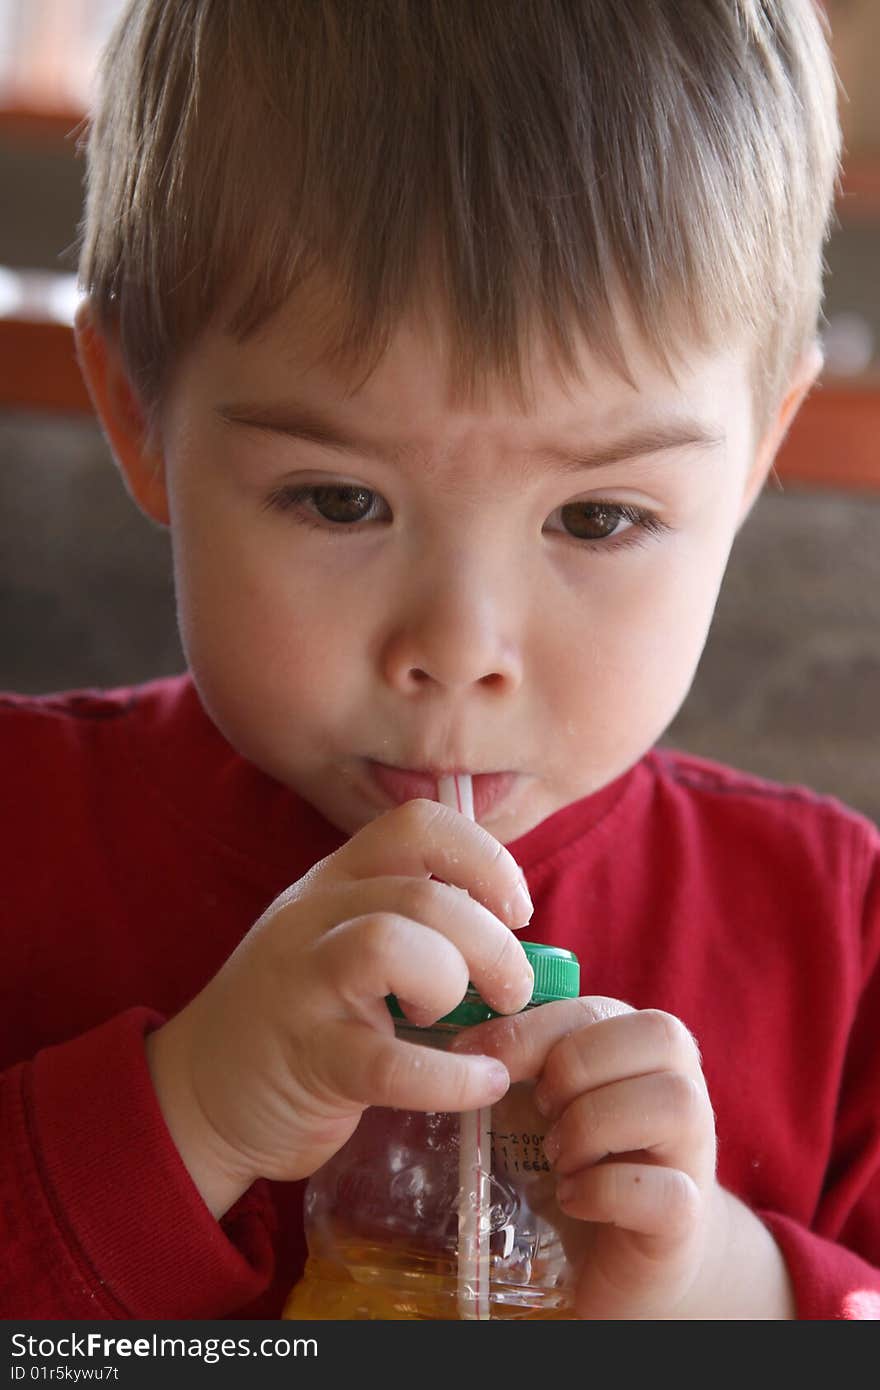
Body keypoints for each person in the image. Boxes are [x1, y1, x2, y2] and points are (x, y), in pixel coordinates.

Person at [2, 0, 877, 1321]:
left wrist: (716, 1284)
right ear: (140, 414)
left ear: (754, 460)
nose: (459, 652)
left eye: (598, 516)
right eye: (339, 500)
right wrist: (188, 1110)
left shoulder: (838, 934)